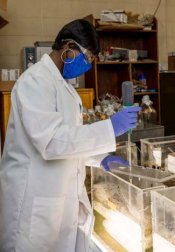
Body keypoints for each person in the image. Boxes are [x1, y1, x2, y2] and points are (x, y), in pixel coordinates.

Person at [0, 19, 140, 252]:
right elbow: (52, 141)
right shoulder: (35, 81)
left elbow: (70, 141)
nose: (87, 64)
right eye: (87, 56)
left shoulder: (63, 86)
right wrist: (109, 128)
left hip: (57, 198)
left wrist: (100, 158)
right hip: (33, 199)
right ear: (68, 47)